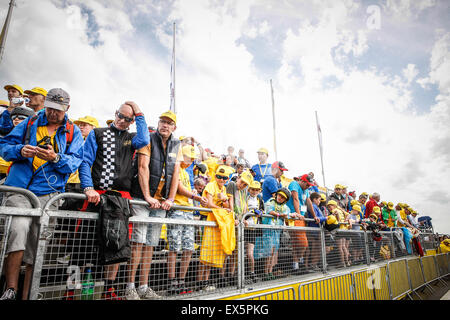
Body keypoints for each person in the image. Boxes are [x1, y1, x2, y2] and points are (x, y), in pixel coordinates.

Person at [0, 88, 84, 300]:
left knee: (37, 243)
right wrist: (20, 150)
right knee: (18, 229)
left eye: (58, 110)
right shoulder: (29, 122)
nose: (52, 113)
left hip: (49, 193)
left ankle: (29, 293)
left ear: (67, 108)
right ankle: (11, 289)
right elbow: (5, 145)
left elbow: (75, 162)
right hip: (20, 189)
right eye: (50, 108)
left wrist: (55, 158)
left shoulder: (72, 132)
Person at [79, 101, 149, 300]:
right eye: (120, 115)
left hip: (120, 199)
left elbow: (144, 139)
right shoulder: (98, 133)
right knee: (85, 245)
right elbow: (85, 161)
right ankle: (75, 291)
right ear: (115, 113)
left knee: (116, 245)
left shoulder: (132, 138)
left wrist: (139, 112)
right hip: (97, 195)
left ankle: (108, 291)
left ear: (132, 121)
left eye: (128, 119)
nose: (122, 120)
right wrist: (88, 187)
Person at [126, 110, 180, 300]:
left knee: (150, 244)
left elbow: (176, 175)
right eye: (162, 121)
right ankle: (130, 287)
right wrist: (148, 196)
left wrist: (171, 199)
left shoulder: (177, 144)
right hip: (142, 197)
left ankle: (143, 286)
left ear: (174, 127)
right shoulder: (148, 138)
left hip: (161, 201)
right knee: (138, 241)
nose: (164, 125)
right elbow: (142, 167)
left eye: (169, 123)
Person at [167, 145, 208, 295]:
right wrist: (195, 196)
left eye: (192, 159)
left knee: (189, 248)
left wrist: (192, 195)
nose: (190, 161)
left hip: (188, 211)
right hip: (177, 210)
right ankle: (172, 283)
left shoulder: (186, 171)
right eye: (188, 158)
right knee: (174, 247)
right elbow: (178, 189)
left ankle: (181, 281)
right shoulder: (176, 167)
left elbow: (185, 190)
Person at [198, 165, 233, 291]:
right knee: (205, 252)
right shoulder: (210, 186)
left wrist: (224, 201)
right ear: (215, 176)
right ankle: (200, 282)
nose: (221, 180)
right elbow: (210, 204)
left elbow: (228, 205)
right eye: (219, 177)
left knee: (211, 252)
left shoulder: (223, 189)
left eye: (224, 178)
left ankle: (205, 282)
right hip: (206, 220)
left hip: (216, 221)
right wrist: (223, 208)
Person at [223, 170, 253, 286]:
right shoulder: (231, 184)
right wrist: (234, 217)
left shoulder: (245, 190)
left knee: (237, 251)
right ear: (238, 177)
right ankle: (222, 276)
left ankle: (231, 275)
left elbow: (245, 205)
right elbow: (230, 203)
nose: (243, 185)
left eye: (246, 184)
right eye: (242, 182)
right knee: (227, 251)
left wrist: (244, 218)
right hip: (232, 221)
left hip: (239, 222)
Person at [286, 174, 316, 273]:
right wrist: (298, 214)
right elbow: (295, 199)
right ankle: (299, 263)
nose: (309, 187)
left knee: (297, 243)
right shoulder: (294, 184)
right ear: (302, 181)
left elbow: (309, 202)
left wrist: (314, 215)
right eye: (307, 185)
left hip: (300, 218)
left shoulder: (306, 190)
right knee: (303, 243)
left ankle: (296, 265)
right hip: (294, 217)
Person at [262, 188, 291, 281]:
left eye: (283, 198)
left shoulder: (286, 207)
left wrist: (283, 215)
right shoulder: (270, 201)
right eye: (280, 195)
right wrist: (279, 215)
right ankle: (265, 272)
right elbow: (269, 211)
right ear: (277, 194)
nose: (280, 198)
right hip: (268, 230)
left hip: (277, 231)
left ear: (285, 200)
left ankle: (270, 272)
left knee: (274, 252)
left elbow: (287, 215)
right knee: (269, 252)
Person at [243, 180, 264, 283]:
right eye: (253, 189)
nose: (255, 191)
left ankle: (251, 273)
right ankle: (237, 275)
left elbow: (263, 212)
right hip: (243, 227)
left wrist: (260, 212)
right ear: (249, 189)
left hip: (253, 228)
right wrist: (251, 212)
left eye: (257, 190)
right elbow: (242, 210)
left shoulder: (260, 200)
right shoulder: (245, 197)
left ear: (259, 191)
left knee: (249, 253)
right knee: (240, 253)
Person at [307, 192, 327, 271]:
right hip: (314, 230)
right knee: (316, 248)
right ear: (314, 199)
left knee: (317, 248)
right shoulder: (313, 206)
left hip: (317, 230)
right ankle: (313, 264)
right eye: (318, 200)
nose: (320, 201)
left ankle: (314, 264)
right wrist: (326, 218)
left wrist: (324, 218)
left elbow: (320, 217)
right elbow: (316, 218)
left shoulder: (316, 207)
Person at [327, 200, 350, 268]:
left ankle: (342, 263)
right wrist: (345, 220)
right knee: (343, 247)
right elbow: (348, 214)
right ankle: (347, 262)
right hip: (344, 229)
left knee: (340, 247)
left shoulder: (335, 210)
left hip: (339, 230)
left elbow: (338, 220)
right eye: (328, 207)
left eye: (330, 206)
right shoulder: (340, 209)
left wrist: (338, 218)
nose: (329, 208)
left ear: (334, 205)